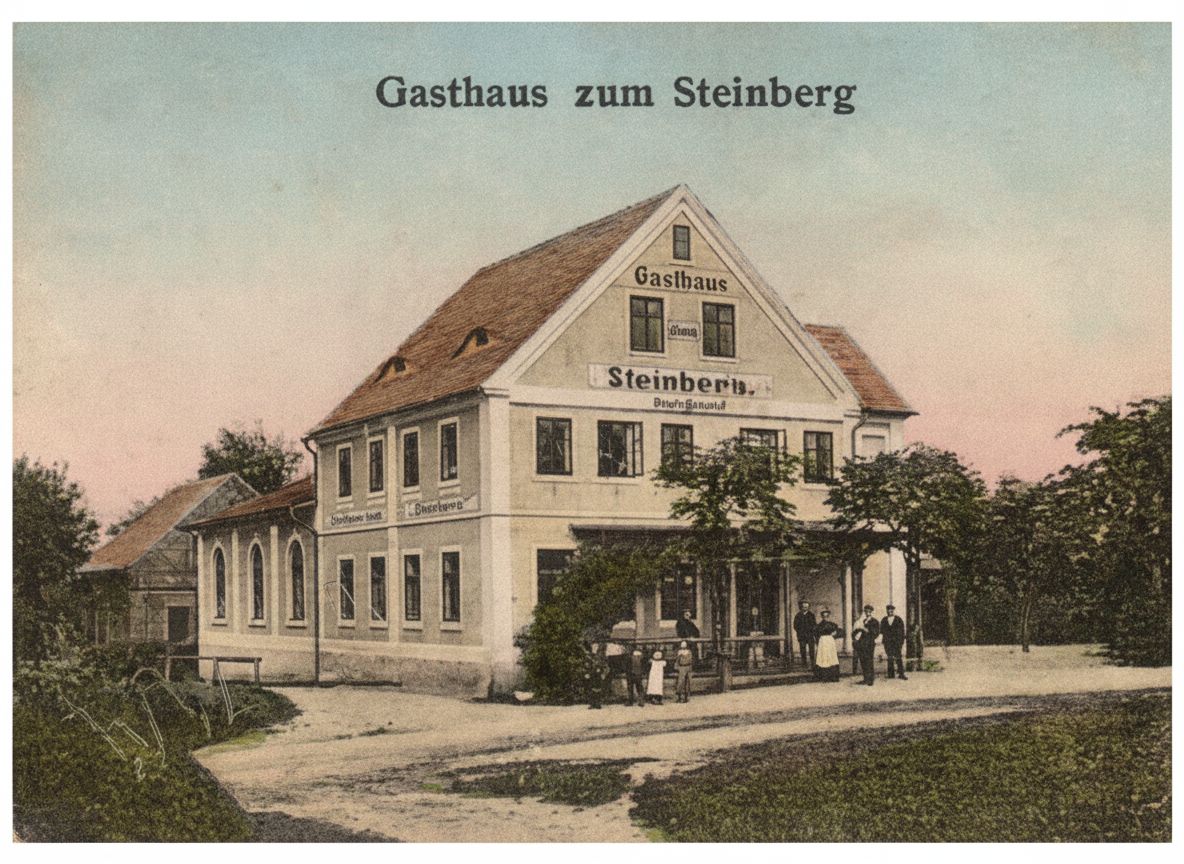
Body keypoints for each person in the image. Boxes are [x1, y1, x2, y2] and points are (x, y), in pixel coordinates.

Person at [852, 604, 880, 685]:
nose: (868, 612)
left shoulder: (874, 621)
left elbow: (876, 633)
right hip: (861, 644)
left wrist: (866, 630)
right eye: (866, 611)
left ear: (871, 612)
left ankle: (870, 680)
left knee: (869, 661)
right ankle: (865, 678)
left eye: (869, 611)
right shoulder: (862, 621)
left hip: (869, 644)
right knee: (863, 661)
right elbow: (855, 632)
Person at [812, 609, 841, 682]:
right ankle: (823, 676)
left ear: (829, 616)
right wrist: (818, 641)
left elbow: (839, 631)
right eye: (824, 616)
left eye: (827, 616)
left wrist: (835, 633)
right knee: (823, 657)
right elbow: (816, 634)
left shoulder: (833, 624)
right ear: (822, 617)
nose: (825, 617)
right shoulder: (818, 626)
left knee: (831, 657)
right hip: (823, 642)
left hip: (830, 642)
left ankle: (833, 676)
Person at [881, 604, 907, 680]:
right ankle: (891, 674)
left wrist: (901, 642)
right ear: (887, 611)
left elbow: (902, 632)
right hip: (887, 642)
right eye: (888, 610)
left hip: (897, 642)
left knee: (898, 657)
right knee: (890, 657)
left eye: (891, 610)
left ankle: (901, 674)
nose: (890, 611)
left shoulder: (899, 620)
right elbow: (882, 631)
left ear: (893, 610)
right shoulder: (884, 620)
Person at [582, 642, 609, 708]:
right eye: (593, 647)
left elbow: (606, 666)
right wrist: (586, 673)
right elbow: (585, 665)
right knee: (590, 688)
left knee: (598, 689)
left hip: (598, 674)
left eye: (596, 647)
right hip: (591, 674)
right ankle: (592, 703)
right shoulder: (589, 656)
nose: (595, 648)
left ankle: (598, 703)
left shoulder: (601, 656)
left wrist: (604, 674)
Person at [793, 601, 816, 669]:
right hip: (802, 635)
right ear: (801, 607)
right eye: (803, 607)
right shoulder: (798, 615)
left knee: (811, 649)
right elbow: (795, 625)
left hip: (810, 635)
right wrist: (800, 631)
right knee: (802, 649)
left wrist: (811, 630)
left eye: (806, 607)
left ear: (808, 607)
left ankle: (812, 663)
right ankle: (804, 663)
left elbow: (814, 625)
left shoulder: (811, 615)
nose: (805, 608)